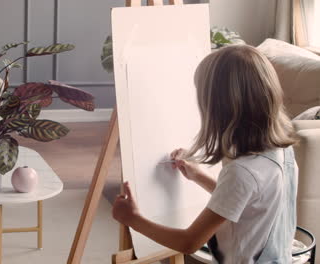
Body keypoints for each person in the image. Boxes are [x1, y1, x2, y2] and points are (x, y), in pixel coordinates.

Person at [112, 45, 299, 263]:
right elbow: (248, 203)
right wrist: (199, 176)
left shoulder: (242, 172)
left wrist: (133, 219)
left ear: (219, 108)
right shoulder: (281, 152)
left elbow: (189, 242)